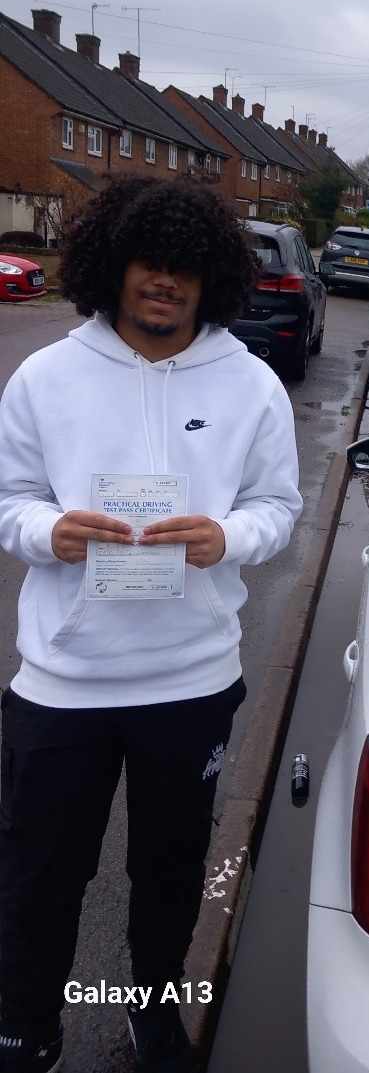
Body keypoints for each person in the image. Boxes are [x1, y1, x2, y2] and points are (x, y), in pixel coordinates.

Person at [0, 176, 303, 1073]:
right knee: (41, 874)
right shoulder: (46, 377)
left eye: (182, 269)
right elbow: (9, 499)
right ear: (113, 267)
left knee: (169, 875)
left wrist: (229, 535)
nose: (164, 283)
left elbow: (277, 506)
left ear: (211, 277)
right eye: (148, 264)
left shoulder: (250, 385)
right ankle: (25, 1023)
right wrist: (49, 531)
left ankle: (154, 1011)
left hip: (191, 679)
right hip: (62, 683)